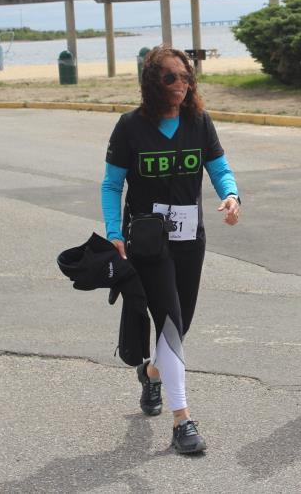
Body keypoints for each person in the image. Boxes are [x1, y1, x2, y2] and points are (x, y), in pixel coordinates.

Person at [101, 45, 241, 454]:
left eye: (186, 77)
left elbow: (218, 167)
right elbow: (112, 185)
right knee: (170, 321)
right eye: (170, 77)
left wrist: (231, 195)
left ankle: (152, 373)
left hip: (189, 239)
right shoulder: (130, 127)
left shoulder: (198, 122)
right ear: (152, 82)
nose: (180, 84)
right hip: (147, 241)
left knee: (182, 322)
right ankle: (183, 421)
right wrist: (114, 233)